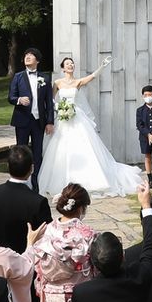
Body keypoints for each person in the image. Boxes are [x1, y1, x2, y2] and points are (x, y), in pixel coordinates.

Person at [39, 57, 139, 200]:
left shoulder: (78, 82)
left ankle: (91, 180)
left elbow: (92, 77)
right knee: (61, 148)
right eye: (67, 64)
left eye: (72, 63)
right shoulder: (57, 83)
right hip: (63, 117)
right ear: (63, 68)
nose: (70, 65)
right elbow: (51, 100)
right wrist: (59, 108)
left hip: (76, 116)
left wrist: (101, 67)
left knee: (84, 146)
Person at [0, 146, 51, 255]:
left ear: (8, 166)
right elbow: (47, 235)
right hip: (26, 259)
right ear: (31, 169)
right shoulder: (38, 202)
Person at [8, 48, 55, 182]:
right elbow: (11, 97)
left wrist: (50, 122)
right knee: (20, 151)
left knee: (37, 152)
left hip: (38, 121)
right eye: (26, 55)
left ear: (37, 60)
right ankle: (20, 179)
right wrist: (19, 100)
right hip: (22, 119)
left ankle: (36, 181)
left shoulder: (45, 78)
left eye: (31, 55)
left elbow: (49, 102)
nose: (27, 57)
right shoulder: (18, 77)